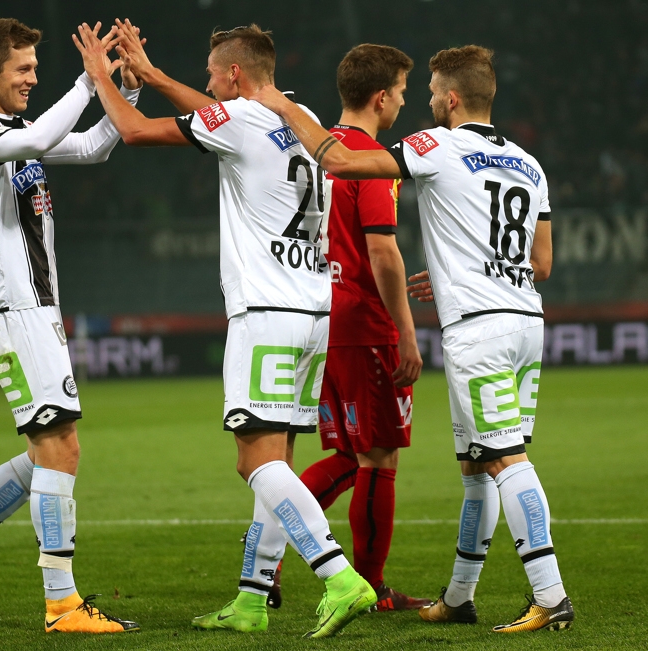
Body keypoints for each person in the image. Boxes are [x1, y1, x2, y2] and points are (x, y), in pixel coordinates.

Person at [251, 45, 574, 633]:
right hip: (526, 320)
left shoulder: (435, 144)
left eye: (428, 92)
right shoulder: (530, 163)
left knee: (503, 458)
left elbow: (344, 162)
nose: (421, 101)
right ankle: (458, 597)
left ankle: (550, 596)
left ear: (451, 99)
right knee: (477, 464)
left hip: (479, 329)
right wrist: (463, 269)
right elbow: (542, 262)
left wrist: (278, 103)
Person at [75, 21, 376, 638]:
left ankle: (339, 576)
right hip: (312, 313)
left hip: (265, 312)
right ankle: (249, 599)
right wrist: (155, 76)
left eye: (214, 72)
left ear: (235, 74)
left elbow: (133, 132)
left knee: (253, 463)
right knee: (280, 461)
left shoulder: (235, 121)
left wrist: (103, 76)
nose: (209, 82)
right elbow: (216, 113)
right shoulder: (296, 115)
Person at [0, 18, 141, 634]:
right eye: (24, 68)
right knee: (61, 449)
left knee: (45, 450)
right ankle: (62, 604)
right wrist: (89, 81)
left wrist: (129, 89)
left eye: (37, 69)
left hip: (30, 311)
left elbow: (92, 146)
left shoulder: (17, 132)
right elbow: (42, 134)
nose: (33, 78)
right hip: (15, 311)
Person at [265, 44, 429, 614]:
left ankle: (267, 553)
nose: (405, 102)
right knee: (379, 458)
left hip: (323, 318)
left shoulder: (316, 153)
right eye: (403, 92)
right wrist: (407, 333)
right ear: (380, 97)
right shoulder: (370, 159)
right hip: (366, 324)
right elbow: (382, 252)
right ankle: (373, 589)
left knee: (347, 455)